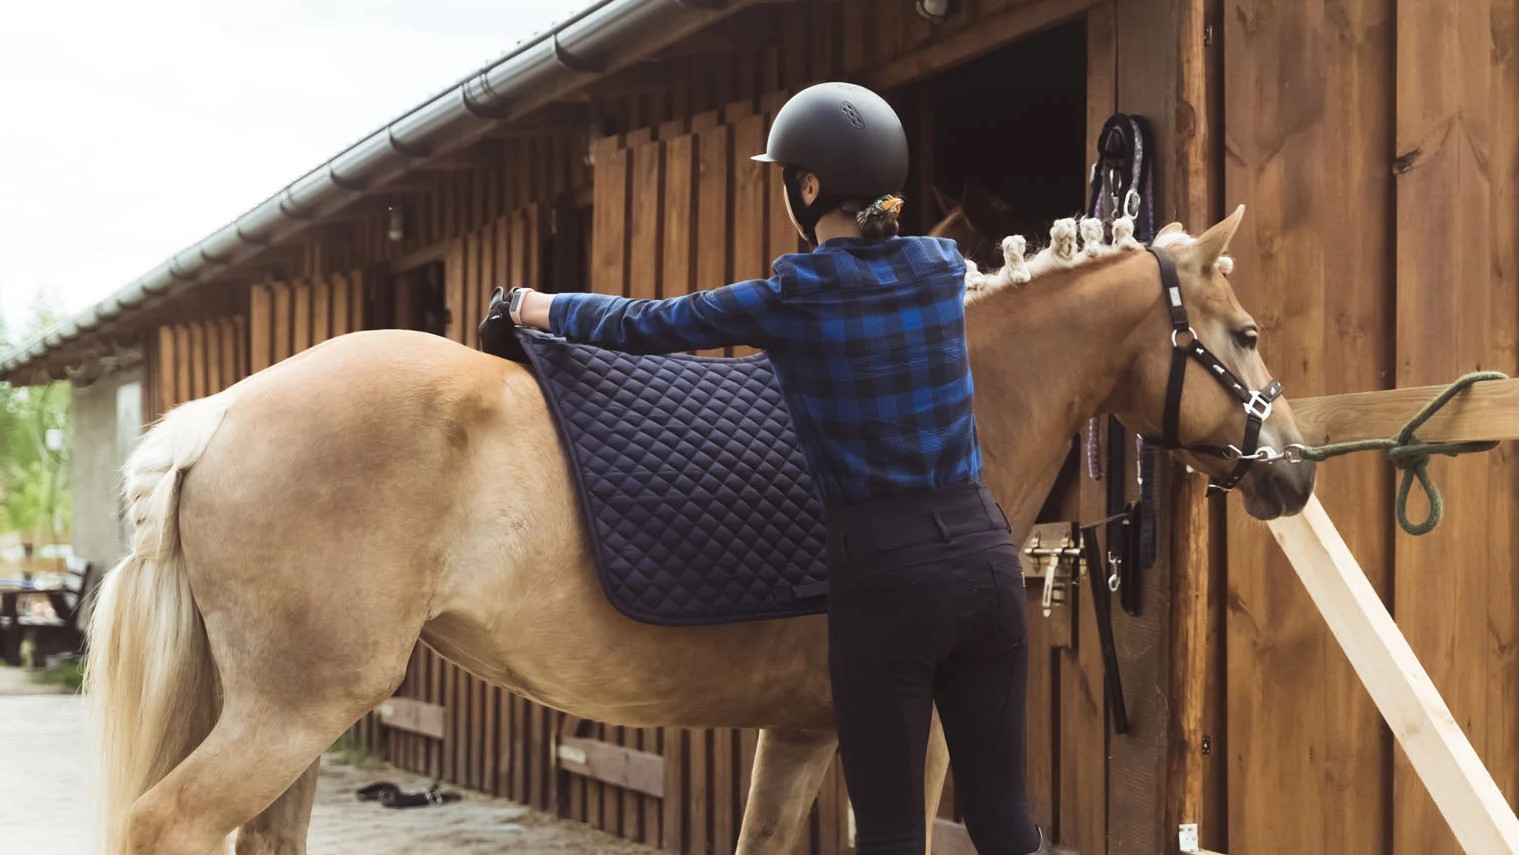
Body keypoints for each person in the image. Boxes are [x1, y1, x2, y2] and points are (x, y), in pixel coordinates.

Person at [500, 81, 1045, 855]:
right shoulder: (940, 264)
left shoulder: (795, 293)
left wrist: (535, 305)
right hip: (987, 560)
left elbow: (651, 324)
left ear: (809, 185)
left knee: (890, 830)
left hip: (886, 579)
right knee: (1003, 818)